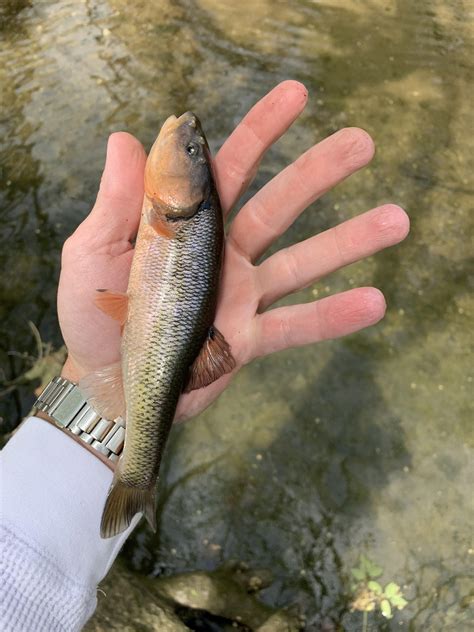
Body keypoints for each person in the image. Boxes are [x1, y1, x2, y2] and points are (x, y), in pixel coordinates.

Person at [1, 81, 409, 631]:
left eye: (193, 152)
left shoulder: (167, 216)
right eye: (196, 150)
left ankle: (135, 478)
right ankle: (135, 479)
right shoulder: (169, 214)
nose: (189, 132)